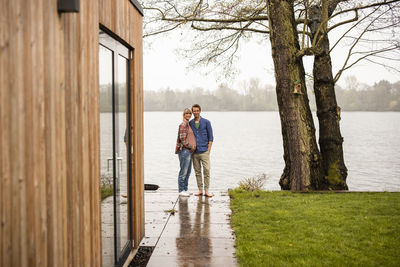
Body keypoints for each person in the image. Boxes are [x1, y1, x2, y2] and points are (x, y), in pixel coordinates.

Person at [189, 104, 214, 197]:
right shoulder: (190, 123)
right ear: (192, 112)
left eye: (197, 110)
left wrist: (209, 150)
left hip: (204, 151)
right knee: (197, 171)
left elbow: (211, 137)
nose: (195, 112)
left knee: (206, 170)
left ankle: (207, 190)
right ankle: (200, 190)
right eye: (194, 111)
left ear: (200, 111)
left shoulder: (206, 122)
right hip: (194, 152)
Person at [175, 108, 197, 197]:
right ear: (184, 115)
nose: (188, 115)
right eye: (186, 113)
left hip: (189, 151)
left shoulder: (188, 124)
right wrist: (191, 147)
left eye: (189, 113)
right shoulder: (183, 125)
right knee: (183, 171)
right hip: (184, 151)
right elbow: (183, 140)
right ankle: (181, 190)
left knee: (188, 171)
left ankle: (185, 189)